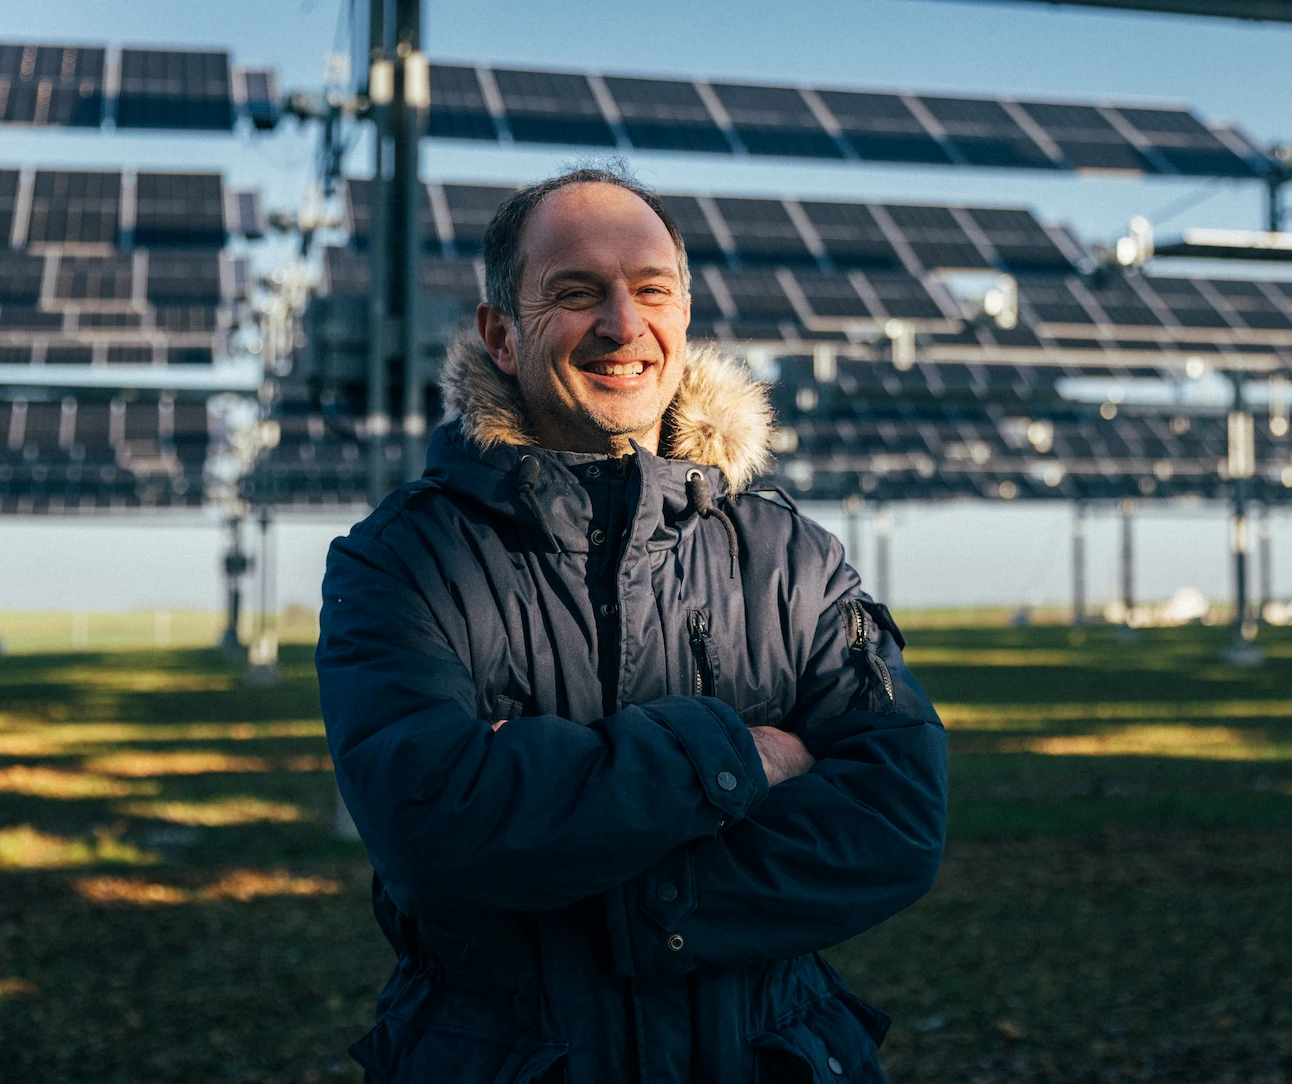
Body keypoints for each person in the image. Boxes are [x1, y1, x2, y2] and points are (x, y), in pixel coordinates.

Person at [316, 164, 948, 1084]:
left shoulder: (790, 558)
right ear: (500, 334)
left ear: (684, 318)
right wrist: (742, 758)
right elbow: (433, 828)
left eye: (652, 291)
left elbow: (896, 821)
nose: (622, 325)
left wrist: (592, 875)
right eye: (575, 295)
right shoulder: (401, 562)